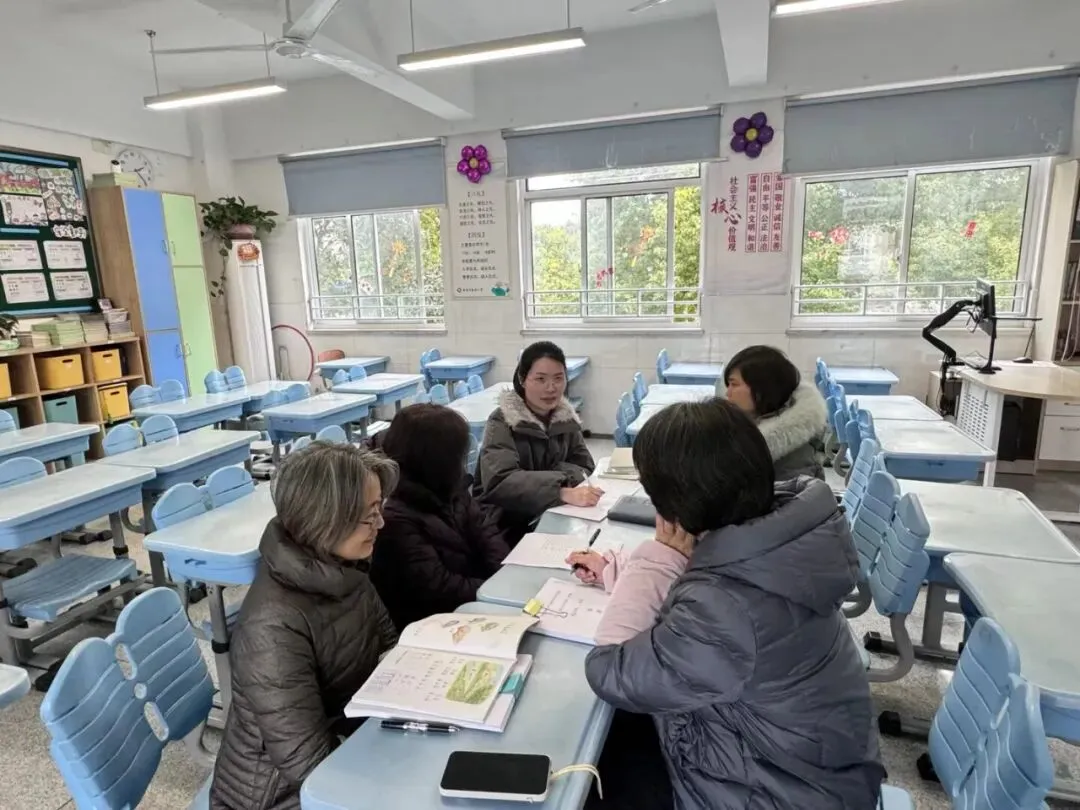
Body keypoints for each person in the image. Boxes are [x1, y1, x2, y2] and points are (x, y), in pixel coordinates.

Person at [579, 399, 884, 810]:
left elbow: (609, 670)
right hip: (806, 768)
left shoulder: (725, 606)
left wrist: (657, 560)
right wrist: (627, 574)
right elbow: (699, 613)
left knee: (591, 765)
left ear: (675, 504)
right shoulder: (772, 538)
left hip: (776, 794)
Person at [210, 442, 400, 810]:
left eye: (379, 509)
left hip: (350, 742)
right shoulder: (272, 626)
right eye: (369, 515)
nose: (380, 524)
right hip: (278, 795)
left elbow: (389, 647)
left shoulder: (345, 569)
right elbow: (308, 767)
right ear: (325, 520)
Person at [371, 403, 510, 630]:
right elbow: (439, 588)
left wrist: (505, 577)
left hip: (478, 601)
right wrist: (495, 590)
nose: (461, 462)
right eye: (456, 455)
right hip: (434, 624)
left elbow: (486, 531)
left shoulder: (448, 485)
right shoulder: (395, 518)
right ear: (435, 459)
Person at [475, 341, 598, 542]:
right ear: (522, 379)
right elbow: (501, 482)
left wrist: (553, 482)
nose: (551, 388)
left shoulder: (564, 417)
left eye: (558, 378)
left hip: (551, 512)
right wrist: (559, 490)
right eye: (540, 379)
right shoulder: (502, 421)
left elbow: (585, 466)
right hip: (504, 522)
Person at [721, 344, 828, 480]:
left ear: (762, 388)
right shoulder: (757, 424)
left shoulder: (790, 458)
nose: (728, 393)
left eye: (734, 384)